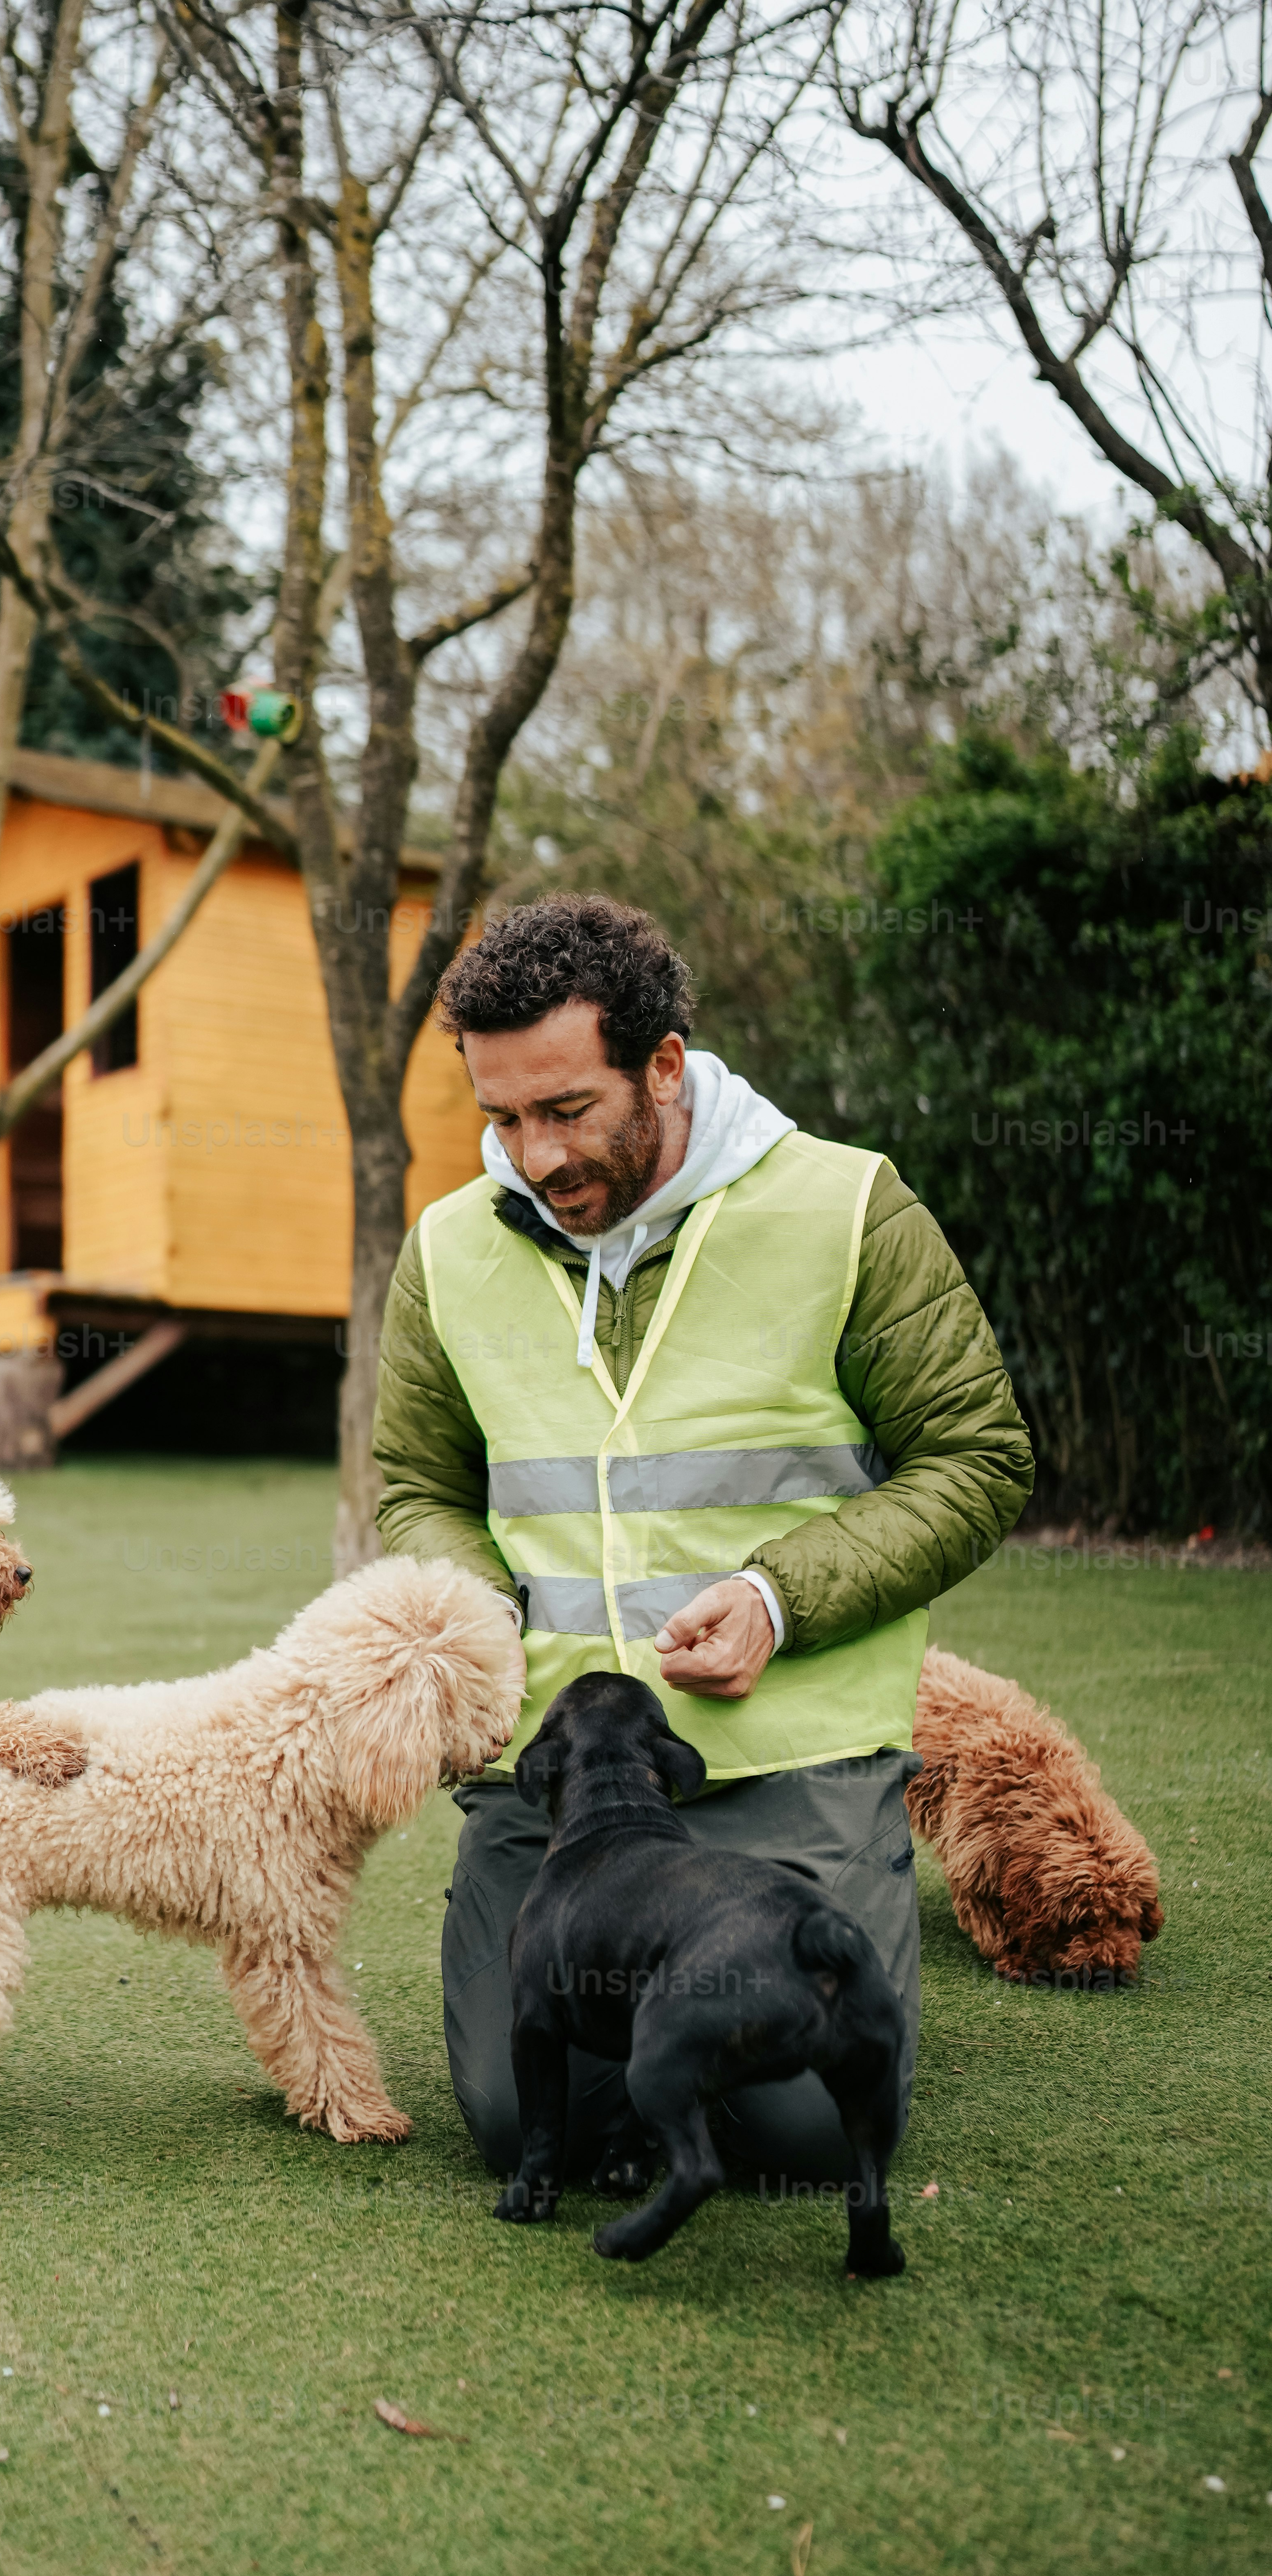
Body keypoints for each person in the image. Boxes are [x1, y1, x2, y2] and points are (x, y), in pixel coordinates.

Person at [373, 894, 1033, 2188]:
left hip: (784, 1755)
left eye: (566, 1110)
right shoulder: (447, 1249)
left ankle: (850, 1921)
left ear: (664, 1065)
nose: (532, 1154)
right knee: (526, 2123)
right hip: (563, 1786)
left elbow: (976, 1458)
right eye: (500, 1118)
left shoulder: (849, 1208)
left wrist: (776, 1598)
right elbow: (415, 1487)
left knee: (795, 2127)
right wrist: (474, 1607)